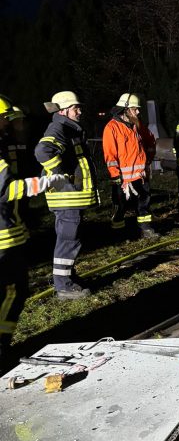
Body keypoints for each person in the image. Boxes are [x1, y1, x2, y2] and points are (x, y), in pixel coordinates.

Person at [0, 97, 70, 370]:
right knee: (12, 291)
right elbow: (6, 190)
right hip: (3, 237)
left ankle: (4, 345)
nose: (8, 123)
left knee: (15, 292)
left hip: (10, 230)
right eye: (5, 118)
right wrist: (44, 183)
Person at [35, 90, 98, 300]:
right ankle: (64, 286)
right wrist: (59, 172)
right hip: (66, 196)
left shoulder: (69, 128)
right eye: (75, 108)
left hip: (70, 196)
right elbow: (43, 150)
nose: (79, 111)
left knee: (70, 240)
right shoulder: (59, 127)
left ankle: (67, 277)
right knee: (68, 240)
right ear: (63, 110)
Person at [102, 93, 157, 239]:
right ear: (125, 109)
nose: (138, 112)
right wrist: (115, 176)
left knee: (143, 205)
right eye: (134, 109)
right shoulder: (112, 128)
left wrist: (148, 160)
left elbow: (150, 140)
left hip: (141, 176)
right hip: (123, 179)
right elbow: (110, 155)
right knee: (120, 207)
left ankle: (146, 229)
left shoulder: (137, 125)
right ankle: (119, 234)